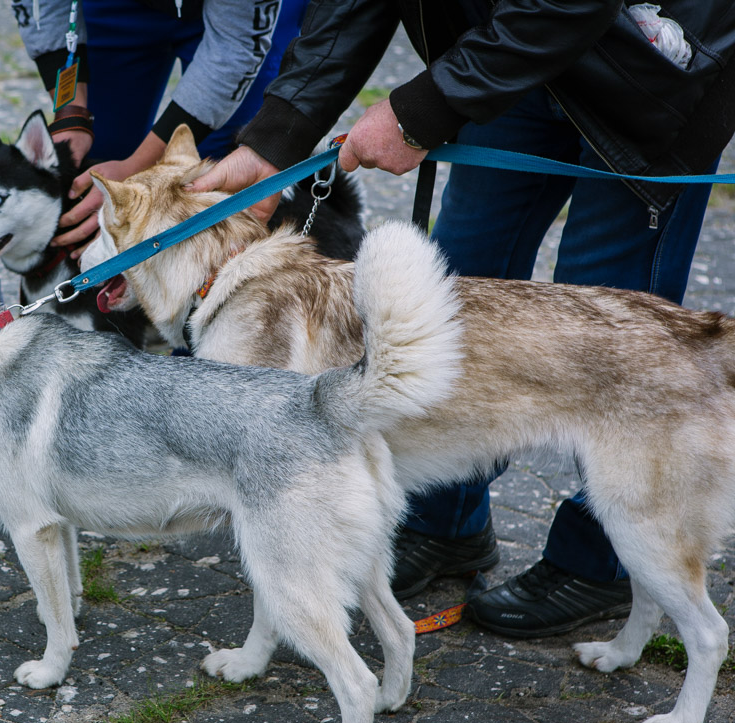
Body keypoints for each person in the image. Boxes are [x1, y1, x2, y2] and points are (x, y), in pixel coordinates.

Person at [189, 0, 735, 636]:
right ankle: (445, 523)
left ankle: (602, 562)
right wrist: (274, 139)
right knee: (450, 294)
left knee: (612, 333)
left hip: (651, 66)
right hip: (505, 53)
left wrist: (422, 108)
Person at [10, 0, 307, 258]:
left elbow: (234, 50)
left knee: (221, 181)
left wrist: (137, 167)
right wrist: (71, 113)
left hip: (238, 16)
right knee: (97, 170)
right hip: (116, 8)